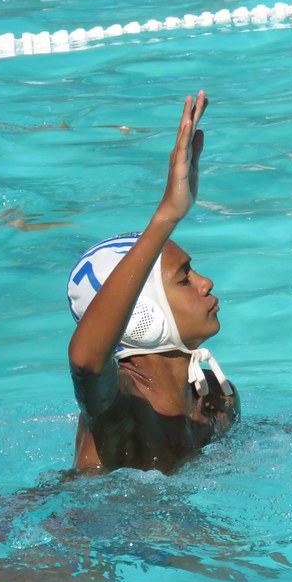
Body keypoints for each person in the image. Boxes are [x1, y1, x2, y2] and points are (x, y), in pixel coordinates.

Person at [66, 90, 240, 476]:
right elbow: (86, 361)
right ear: (142, 315)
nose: (206, 283)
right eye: (184, 279)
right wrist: (166, 217)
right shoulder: (121, 406)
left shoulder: (213, 398)